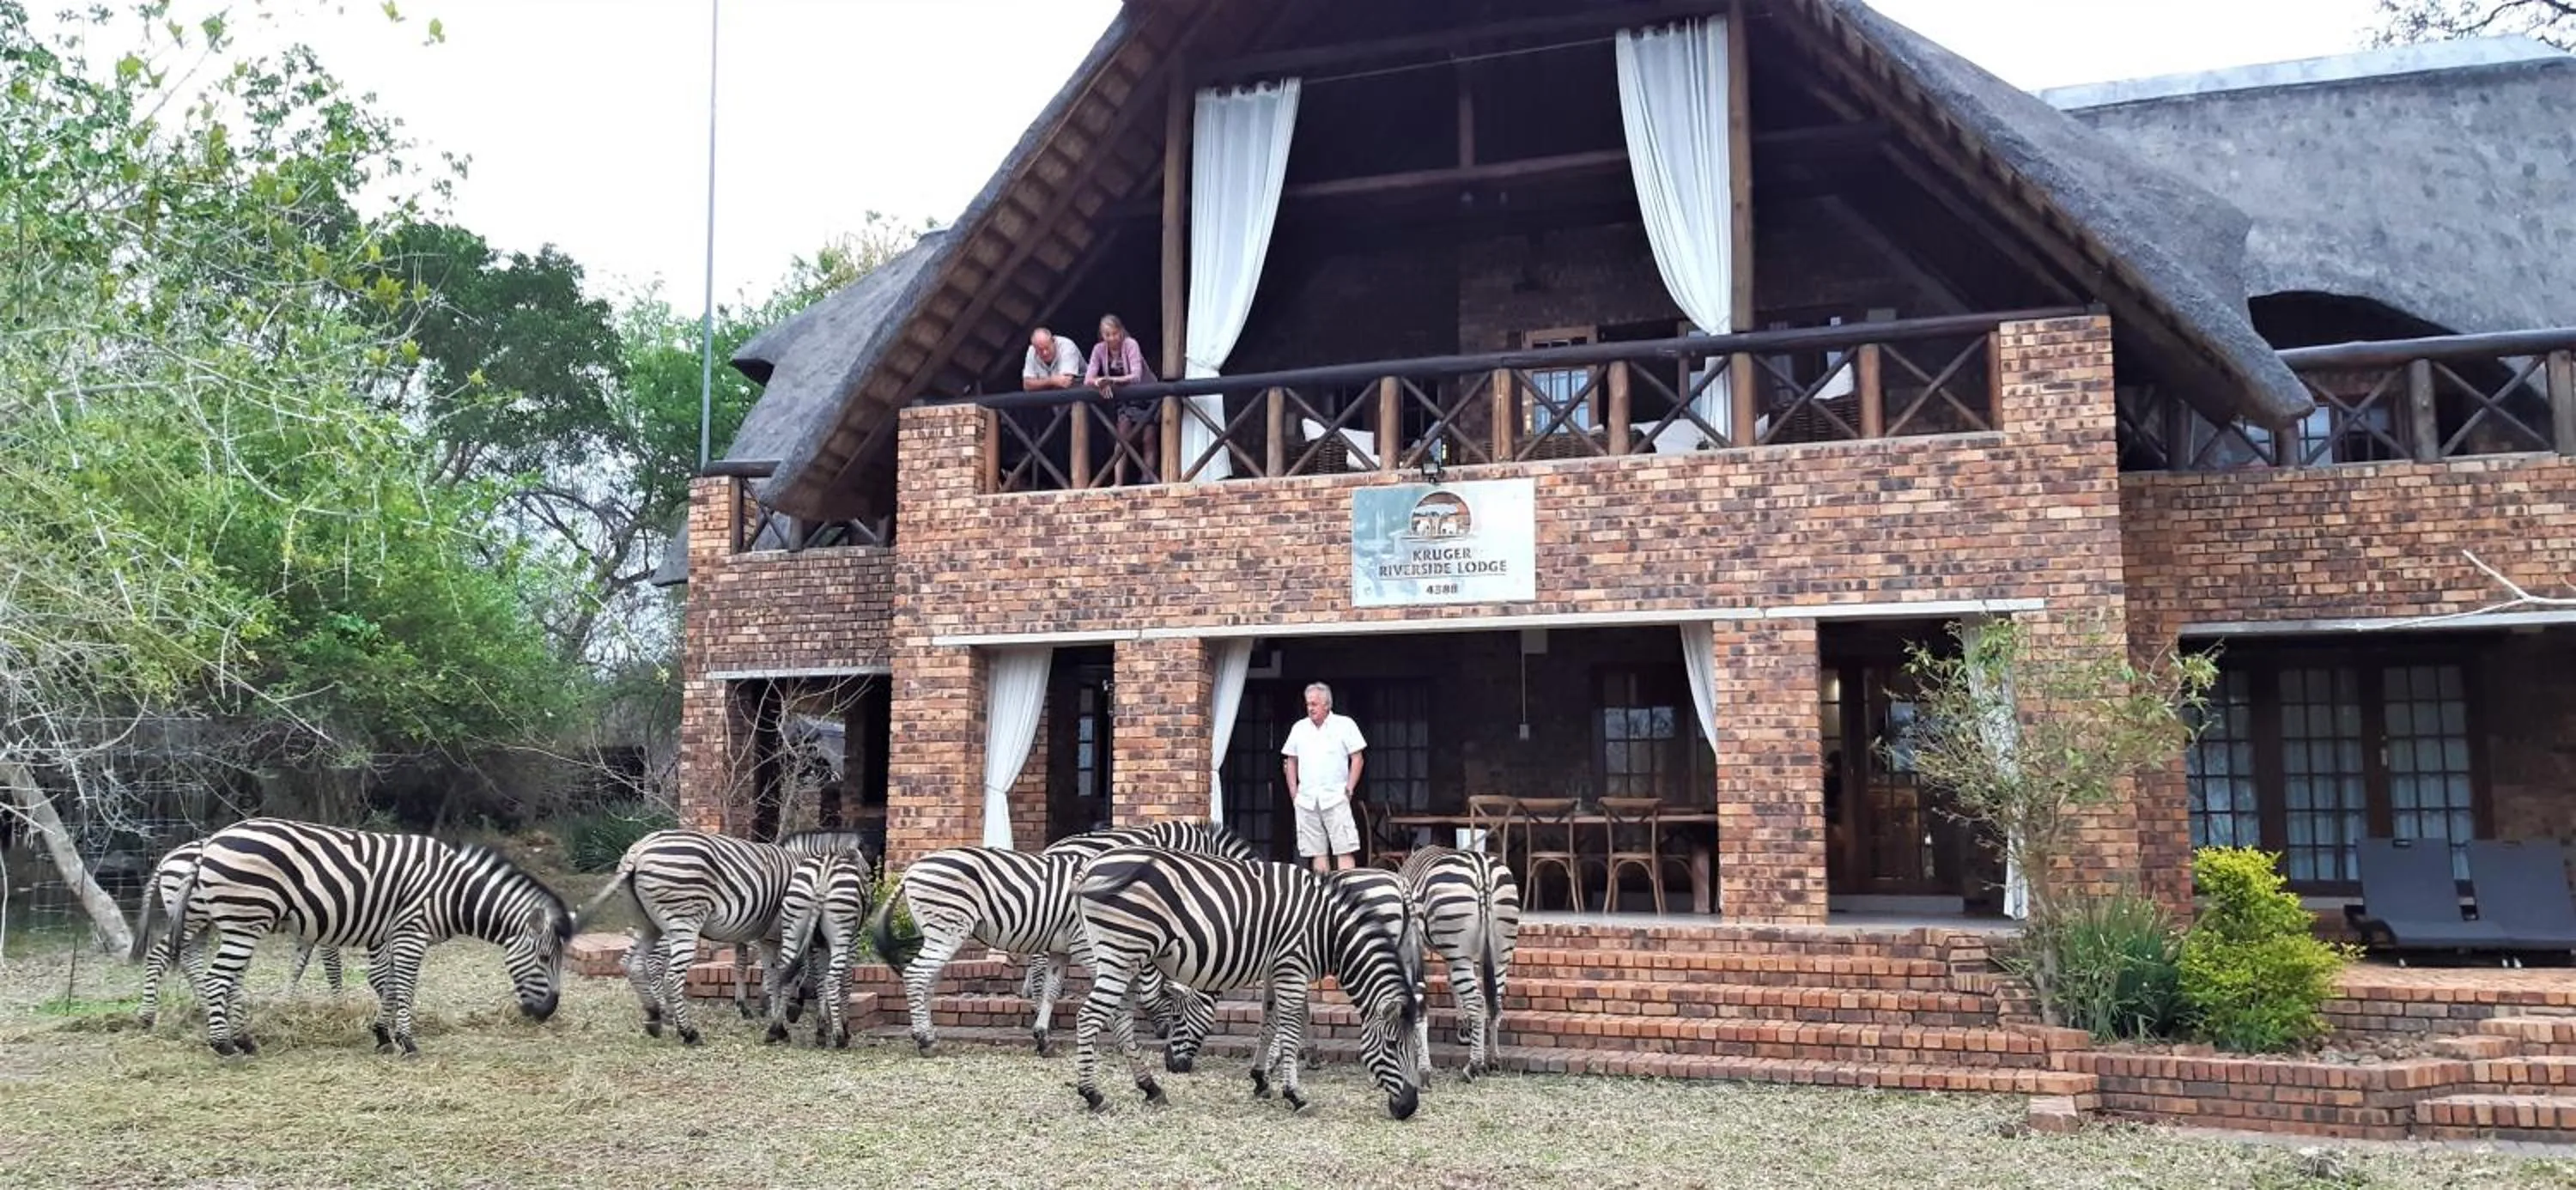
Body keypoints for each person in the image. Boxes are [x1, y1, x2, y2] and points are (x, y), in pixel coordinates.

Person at [1280, 681, 1367, 873]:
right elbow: (1290, 760)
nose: (1310, 708)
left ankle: (1347, 894)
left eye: (1314, 704)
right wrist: (1294, 793)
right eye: (1308, 704)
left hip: (1336, 796)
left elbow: (1358, 758)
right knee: (1317, 853)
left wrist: (1350, 788)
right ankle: (1325, 898)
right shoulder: (1299, 728)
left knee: (1344, 850)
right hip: (1307, 799)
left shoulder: (1344, 725)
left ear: (1327, 705)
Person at [1084, 313, 1158, 483]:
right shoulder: (1099, 350)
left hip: (1146, 394)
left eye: (1115, 334)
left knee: (1148, 437)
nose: (1112, 338)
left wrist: (1111, 381)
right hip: (1126, 398)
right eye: (1107, 335)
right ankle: (1118, 482)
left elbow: (1136, 376)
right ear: (1102, 335)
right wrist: (1100, 382)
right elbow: (1089, 379)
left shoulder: (1131, 344)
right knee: (1122, 435)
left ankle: (1148, 478)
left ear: (1121, 332)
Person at [1021, 326, 1082, 392]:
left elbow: (1065, 383)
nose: (1045, 353)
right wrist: (1052, 380)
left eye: (1047, 348)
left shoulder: (1067, 346)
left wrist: (1038, 383)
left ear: (1053, 341)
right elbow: (1027, 385)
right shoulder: (1031, 350)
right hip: (1048, 394)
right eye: (1040, 350)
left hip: (1079, 388)